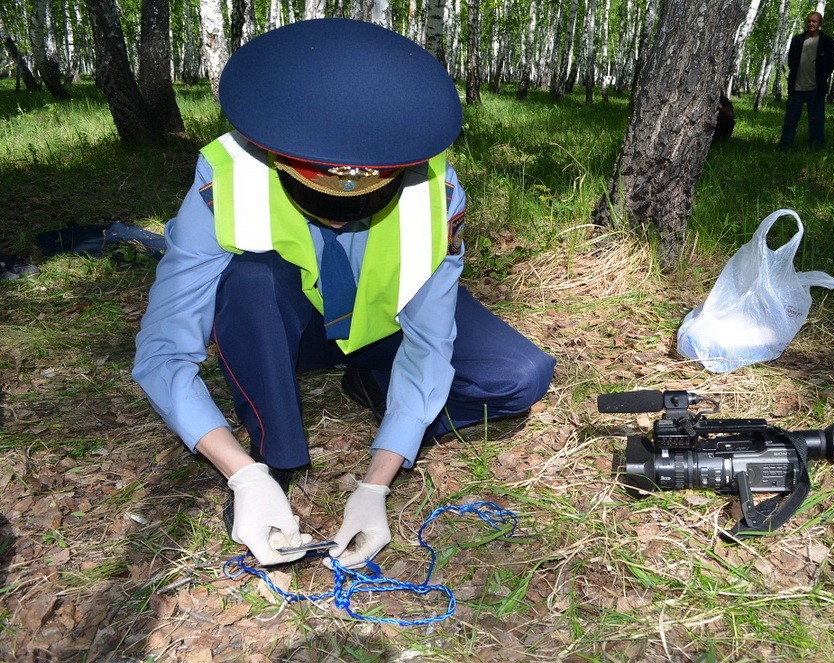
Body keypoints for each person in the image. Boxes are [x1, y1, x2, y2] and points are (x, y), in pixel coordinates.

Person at [132, 18, 556, 569]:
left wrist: (378, 482)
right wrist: (241, 474)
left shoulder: (438, 191)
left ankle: (372, 384)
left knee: (518, 376)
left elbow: (429, 344)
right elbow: (164, 350)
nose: (339, 212)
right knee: (254, 280)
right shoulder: (225, 178)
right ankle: (275, 456)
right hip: (291, 330)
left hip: (387, 325)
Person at [778, 11, 834, 151]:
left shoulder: (827, 42)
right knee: (790, 121)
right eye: (809, 21)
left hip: (816, 89)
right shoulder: (798, 40)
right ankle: (784, 148)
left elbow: (832, 62)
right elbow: (791, 60)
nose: (811, 24)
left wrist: (822, 76)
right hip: (797, 88)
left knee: (817, 123)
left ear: (820, 24)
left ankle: (816, 150)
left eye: (814, 21)